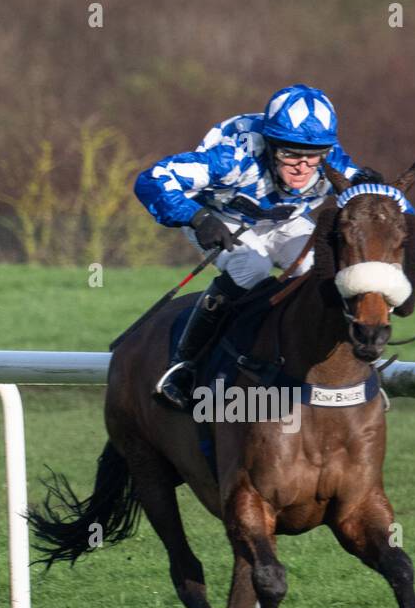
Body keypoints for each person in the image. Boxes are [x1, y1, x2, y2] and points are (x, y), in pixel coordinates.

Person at [134, 83, 383, 411]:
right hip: (222, 219)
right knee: (252, 266)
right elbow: (151, 178)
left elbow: (384, 206)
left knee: (321, 273)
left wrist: (374, 188)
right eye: (289, 153)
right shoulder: (232, 157)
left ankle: (344, 365)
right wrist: (196, 217)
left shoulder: (331, 160)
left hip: (284, 221)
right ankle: (183, 366)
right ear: (270, 145)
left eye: (313, 156)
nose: (302, 167)